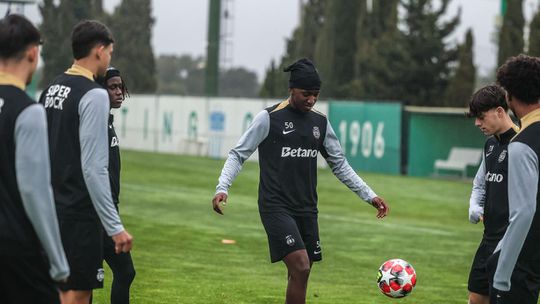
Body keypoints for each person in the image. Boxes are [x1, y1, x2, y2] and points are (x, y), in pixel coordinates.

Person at [211, 58, 389, 304]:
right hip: (275, 206)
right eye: (306, 94)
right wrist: (223, 187)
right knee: (301, 266)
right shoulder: (269, 118)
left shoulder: (320, 123)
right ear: (291, 89)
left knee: (300, 274)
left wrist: (369, 195)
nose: (311, 100)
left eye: (316, 94)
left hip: (306, 208)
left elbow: (340, 164)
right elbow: (238, 154)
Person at [39, 20, 133, 304]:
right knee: (78, 295)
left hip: (51, 212)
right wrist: (114, 226)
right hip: (79, 215)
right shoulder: (93, 93)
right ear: (100, 50)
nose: (109, 59)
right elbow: (94, 167)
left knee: (59, 292)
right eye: (110, 52)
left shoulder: (52, 87)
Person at [0, 14, 69, 303]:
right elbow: (35, 191)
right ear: (32, 52)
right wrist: (59, 264)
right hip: (17, 253)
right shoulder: (28, 112)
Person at [488, 54, 540, 304]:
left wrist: (501, 277)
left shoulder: (521, 144)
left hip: (525, 257)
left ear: (509, 96)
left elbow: (524, 213)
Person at [466, 85, 519, 304]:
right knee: (475, 298)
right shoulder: (490, 146)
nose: (477, 123)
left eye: (481, 117)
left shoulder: (523, 144)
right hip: (488, 239)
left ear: (500, 111)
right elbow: (480, 184)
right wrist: (474, 205)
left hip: (512, 244)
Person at [96, 67, 136, 304]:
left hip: (110, 212)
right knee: (86, 282)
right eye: (112, 87)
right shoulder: (93, 121)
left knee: (126, 272)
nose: (119, 92)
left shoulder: (107, 120)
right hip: (95, 214)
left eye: (120, 87)